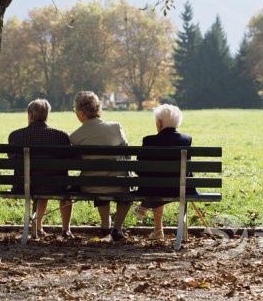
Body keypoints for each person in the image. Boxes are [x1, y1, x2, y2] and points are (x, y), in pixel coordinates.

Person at [69, 91, 131, 242]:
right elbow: (127, 156)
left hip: (91, 186)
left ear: (81, 113)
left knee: (97, 179)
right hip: (118, 185)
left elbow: (73, 162)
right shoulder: (116, 127)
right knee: (123, 184)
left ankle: (105, 226)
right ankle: (117, 228)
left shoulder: (75, 137)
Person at [8, 99, 74, 239]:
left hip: (24, 185)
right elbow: (68, 161)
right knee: (61, 185)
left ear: (30, 115)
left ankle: (38, 227)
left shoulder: (16, 136)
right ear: (47, 115)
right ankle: (66, 229)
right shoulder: (61, 136)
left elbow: (12, 159)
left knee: (39, 181)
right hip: (55, 185)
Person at [135, 104, 192, 241]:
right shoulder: (186, 140)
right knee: (160, 180)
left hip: (153, 188)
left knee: (155, 180)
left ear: (160, 123)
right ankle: (156, 228)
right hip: (180, 188)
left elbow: (139, 168)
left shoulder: (149, 140)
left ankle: (146, 211)